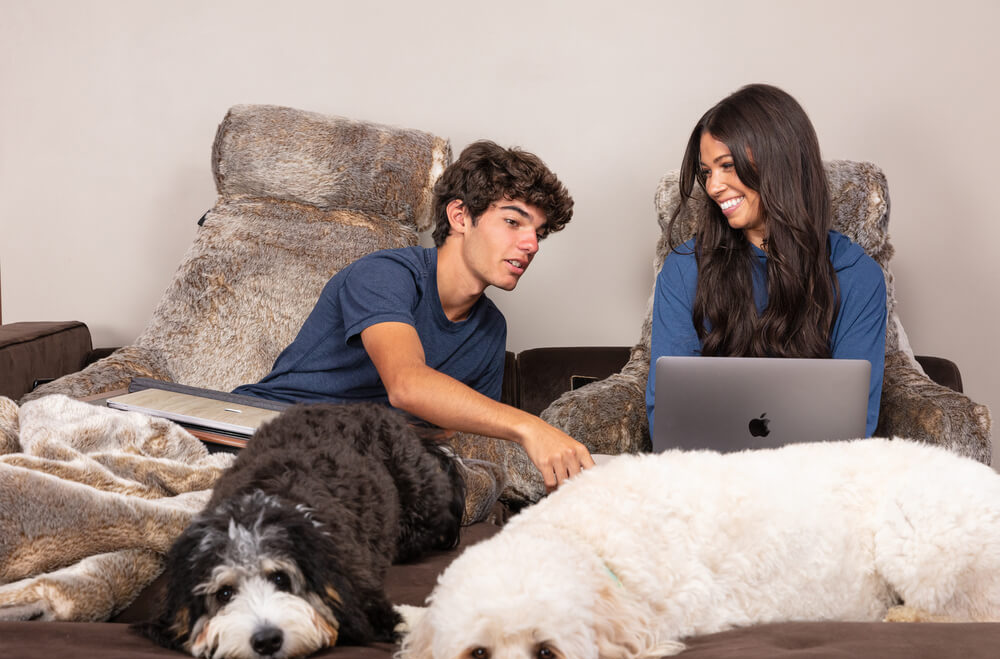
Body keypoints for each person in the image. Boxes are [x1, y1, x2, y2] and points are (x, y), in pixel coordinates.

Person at [235, 140, 594, 490]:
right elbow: (407, 386)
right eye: (514, 222)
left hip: (351, 461)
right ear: (460, 217)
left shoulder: (490, 328)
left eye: (539, 233)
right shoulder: (384, 274)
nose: (531, 245)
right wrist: (530, 426)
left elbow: (450, 433)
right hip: (258, 431)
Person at [646, 84, 887, 439]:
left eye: (727, 166)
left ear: (780, 161)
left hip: (814, 479)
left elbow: (855, 425)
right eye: (707, 171)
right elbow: (665, 418)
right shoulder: (684, 270)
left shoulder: (857, 276)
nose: (713, 187)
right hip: (708, 476)